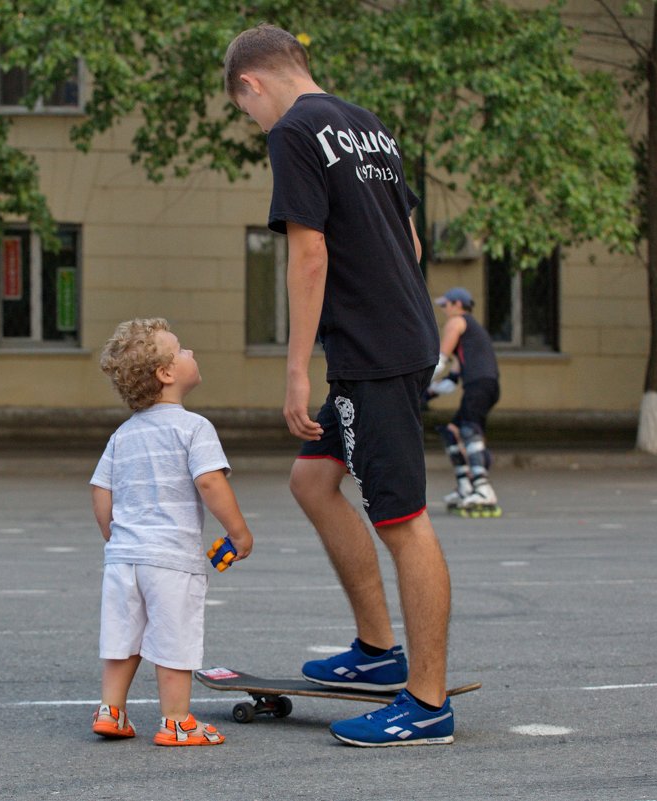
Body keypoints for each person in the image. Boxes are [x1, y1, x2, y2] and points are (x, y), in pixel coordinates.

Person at [224, 23, 455, 747]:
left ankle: (426, 702)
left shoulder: (293, 130)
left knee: (402, 519)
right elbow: (412, 241)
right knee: (313, 480)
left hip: (371, 352)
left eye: (244, 110)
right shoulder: (368, 127)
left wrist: (297, 367)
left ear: (252, 84)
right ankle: (377, 650)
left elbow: (309, 253)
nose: (253, 121)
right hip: (403, 335)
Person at [89, 318, 253, 746]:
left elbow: (100, 491)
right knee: (174, 637)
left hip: (124, 557)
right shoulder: (193, 428)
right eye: (181, 350)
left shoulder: (122, 435)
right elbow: (210, 482)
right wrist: (238, 533)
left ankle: (111, 710)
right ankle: (177, 722)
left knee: (123, 635)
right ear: (166, 374)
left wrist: (115, 537)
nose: (191, 354)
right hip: (170, 559)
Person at [432, 287, 502, 515]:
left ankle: (483, 488)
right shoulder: (472, 332)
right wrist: (429, 392)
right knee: (453, 430)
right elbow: (451, 379)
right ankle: (465, 486)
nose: (444, 310)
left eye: (446, 305)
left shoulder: (457, 322)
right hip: (485, 385)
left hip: (479, 385)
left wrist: (411, 383)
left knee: (469, 430)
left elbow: (440, 361)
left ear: (457, 305)